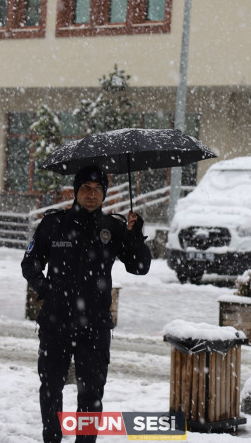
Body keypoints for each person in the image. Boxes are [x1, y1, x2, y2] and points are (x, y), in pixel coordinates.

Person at [21, 164, 152, 443]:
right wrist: (45, 288)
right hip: (56, 321)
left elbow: (140, 267)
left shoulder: (113, 228)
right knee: (51, 388)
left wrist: (136, 235)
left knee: (91, 393)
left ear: (104, 193)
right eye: (85, 188)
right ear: (75, 190)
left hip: (95, 325)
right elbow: (30, 263)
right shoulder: (54, 224)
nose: (91, 194)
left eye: (97, 189)